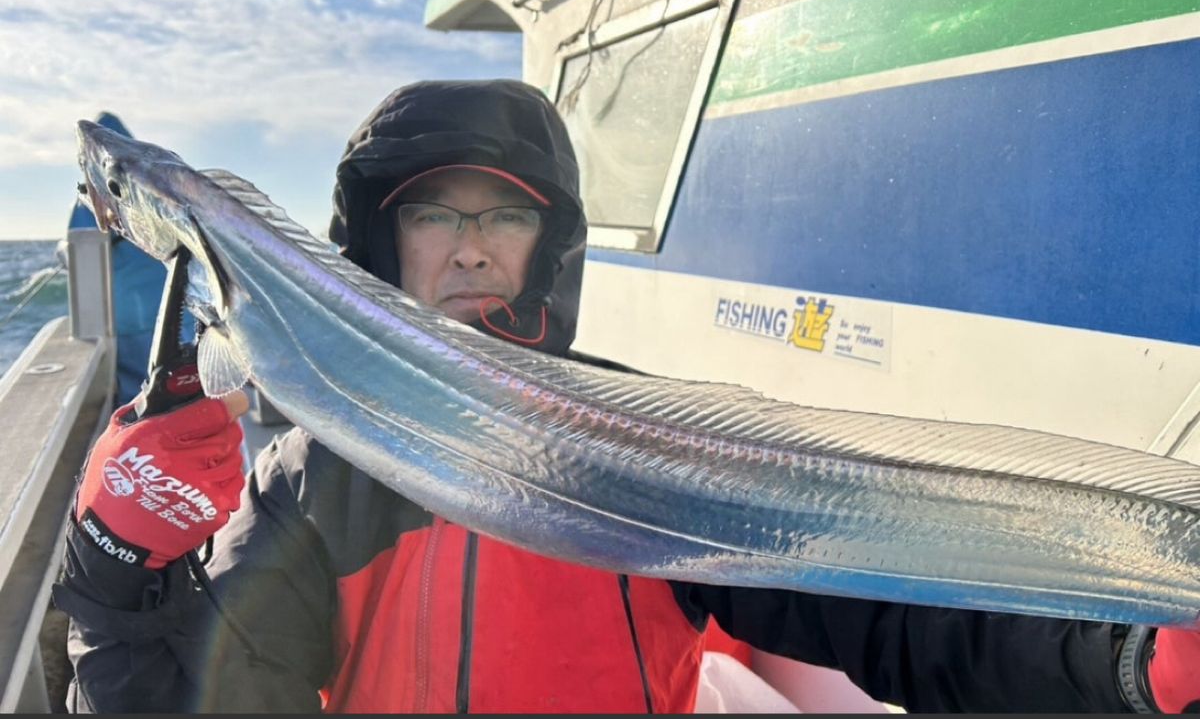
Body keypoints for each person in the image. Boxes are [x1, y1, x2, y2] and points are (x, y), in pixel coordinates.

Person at [54, 80, 1199, 713]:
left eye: (501, 213)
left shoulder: (636, 443)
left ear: (546, 241)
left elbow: (885, 606)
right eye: (431, 213)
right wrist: (113, 577)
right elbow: (207, 695)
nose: (467, 248)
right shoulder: (319, 474)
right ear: (385, 241)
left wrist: (1119, 656)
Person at [66, 111, 178, 406]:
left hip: (128, 318)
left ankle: (141, 438)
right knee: (178, 384)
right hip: (173, 310)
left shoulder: (89, 197)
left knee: (139, 395)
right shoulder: (157, 186)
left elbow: (79, 244)